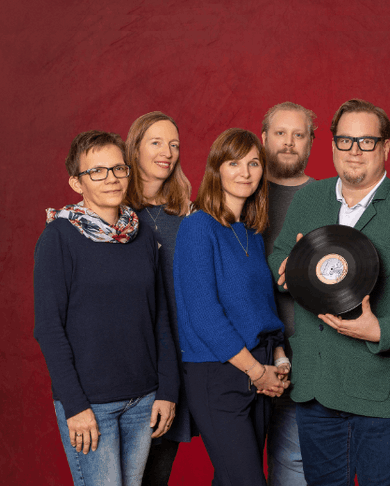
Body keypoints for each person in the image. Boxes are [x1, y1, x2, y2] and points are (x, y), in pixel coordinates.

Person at [268, 99, 390, 486]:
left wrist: (382, 330)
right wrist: (287, 269)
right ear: (333, 144)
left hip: (381, 390)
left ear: (386, 147)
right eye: (345, 140)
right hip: (316, 386)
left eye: (366, 141)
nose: (354, 150)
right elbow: (282, 253)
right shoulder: (310, 199)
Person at [34, 130, 179, 486]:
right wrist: (75, 406)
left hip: (143, 400)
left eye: (118, 168)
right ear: (77, 183)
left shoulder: (143, 235)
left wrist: (167, 391)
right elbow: (49, 328)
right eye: (97, 171)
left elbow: (160, 318)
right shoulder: (59, 237)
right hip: (91, 403)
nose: (111, 178)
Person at [173, 128, 289, 486]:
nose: (245, 172)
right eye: (234, 163)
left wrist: (279, 359)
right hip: (219, 372)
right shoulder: (198, 227)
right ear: (217, 169)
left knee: (231, 479)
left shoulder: (252, 233)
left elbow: (262, 306)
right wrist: (256, 371)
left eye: (254, 163)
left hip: (260, 364)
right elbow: (204, 315)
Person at [124, 111, 196, 485]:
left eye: (174, 145)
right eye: (156, 142)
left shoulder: (188, 214)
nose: (167, 152)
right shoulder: (114, 214)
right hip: (130, 360)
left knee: (156, 474)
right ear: (134, 149)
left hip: (176, 362)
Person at [260, 101, 317, 486]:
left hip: (303, 359)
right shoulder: (240, 190)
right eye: (280, 133)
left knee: (293, 468)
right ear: (264, 138)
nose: (289, 142)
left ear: (311, 142)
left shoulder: (327, 197)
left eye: (299, 135)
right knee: (239, 472)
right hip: (243, 357)